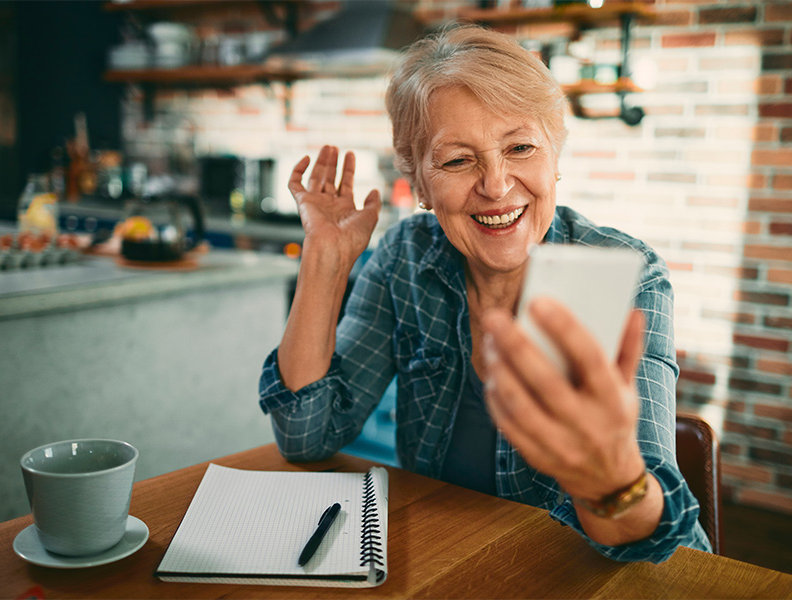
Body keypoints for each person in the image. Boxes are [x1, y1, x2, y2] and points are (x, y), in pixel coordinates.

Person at [258, 24, 711, 563]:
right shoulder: (405, 257)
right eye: (457, 160)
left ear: (555, 157)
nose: (496, 184)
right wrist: (324, 262)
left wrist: (610, 478)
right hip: (454, 564)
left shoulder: (626, 275)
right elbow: (306, 436)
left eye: (520, 147)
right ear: (420, 185)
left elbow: (655, 545)